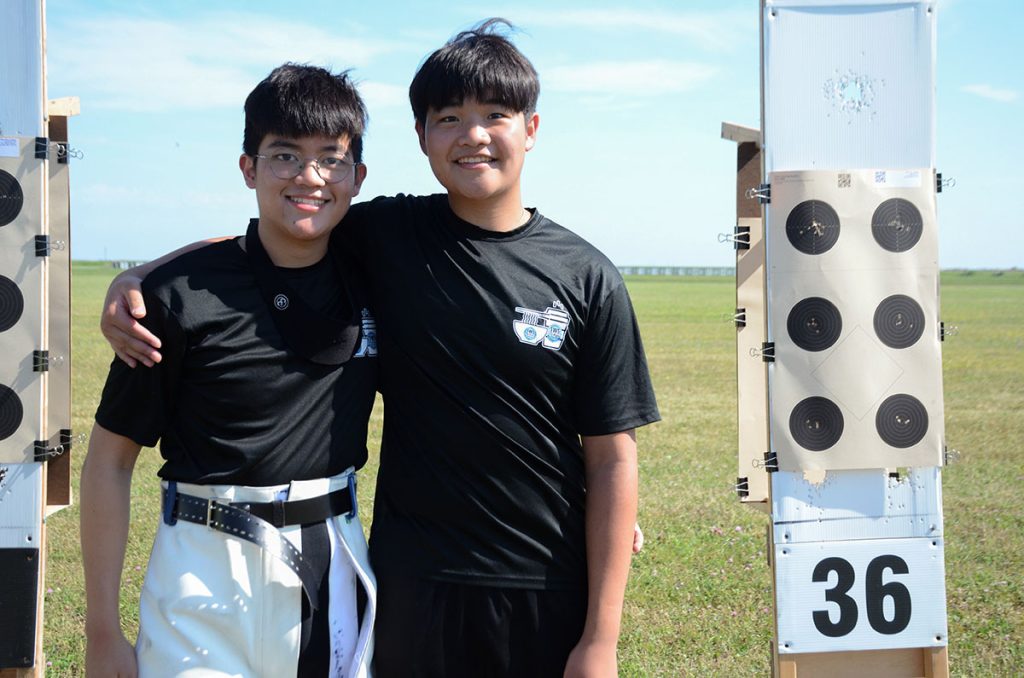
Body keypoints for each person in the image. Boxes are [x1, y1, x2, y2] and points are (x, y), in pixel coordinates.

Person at [102, 19, 659, 677]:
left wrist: (601, 640)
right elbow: (273, 234)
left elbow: (612, 460)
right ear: (422, 135)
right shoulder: (388, 235)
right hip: (409, 580)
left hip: (543, 578)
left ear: (531, 129)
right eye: (448, 117)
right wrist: (137, 277)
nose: (473, 134)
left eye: (495, 115)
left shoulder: (585, 276)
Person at [81, 64, 378, 677]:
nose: (309, 177)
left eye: (331, 158)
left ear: (357, 177)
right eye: (284, 156)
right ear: (248, 168)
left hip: (333, 560)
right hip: (200, 569)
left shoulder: (381, 269)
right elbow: (110, 461)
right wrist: (102, 631)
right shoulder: (174, 300)